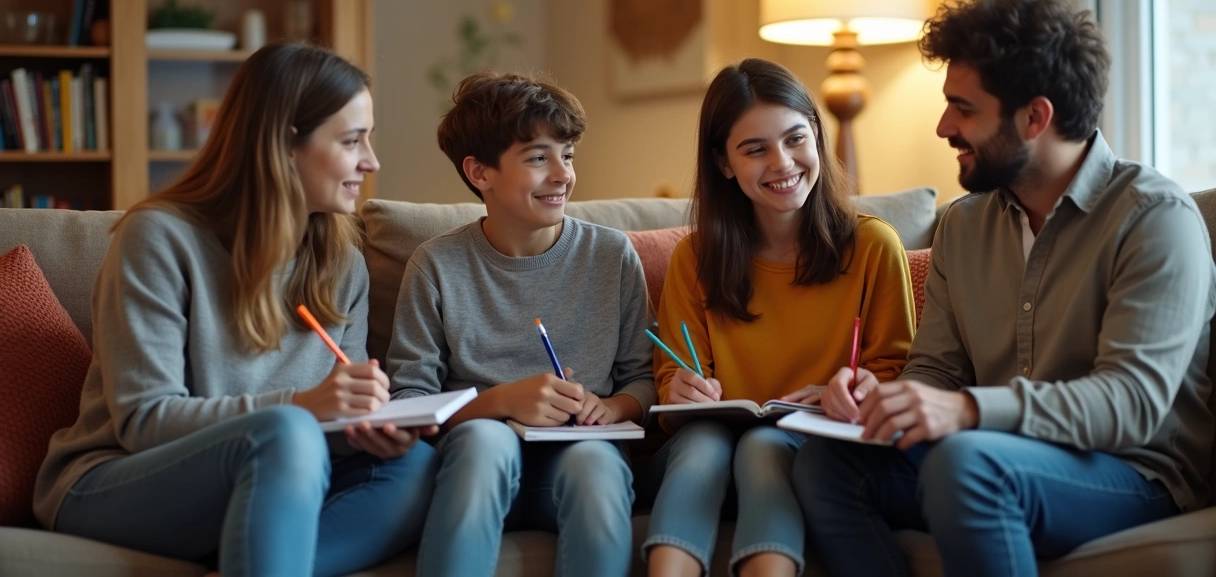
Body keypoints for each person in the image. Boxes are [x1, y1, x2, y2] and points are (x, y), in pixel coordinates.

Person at [792, 0, 1216, 577]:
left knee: (967, 465)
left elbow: (1131, 403)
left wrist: (966, 411)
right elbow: (935, 370)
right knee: (823, 463)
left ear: (1036, 116)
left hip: (1134, 472)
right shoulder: (964, 227)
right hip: (989, 453)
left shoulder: (1154, 218)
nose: (944, 126)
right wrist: (880, 397)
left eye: (964, 108)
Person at [33, 42, 439, 577]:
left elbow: (326, 425)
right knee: (287, 434)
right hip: (118, 478)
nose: (372, 161)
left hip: (278, 477)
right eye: (351, 140)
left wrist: (360, 427)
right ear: (283, 144)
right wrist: (303, 405)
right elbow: (144, 420)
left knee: (417, 465)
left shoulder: (343, 263)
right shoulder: (158, 238)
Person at [641, 58, 916, 577]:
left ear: (816, 135)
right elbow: (671, 387)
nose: (783, 162)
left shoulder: (874, 246)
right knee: (703, 442)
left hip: (821, 446)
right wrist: (680, 391)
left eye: (795, 139)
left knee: (765, 444)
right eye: (755, 149)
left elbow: (896, 373)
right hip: (708, 454)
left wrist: (847, 390)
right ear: (723, 163)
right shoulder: (694, 259)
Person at [386, 71, 656, 577]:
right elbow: (407, 403)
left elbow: (643, 377)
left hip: (577, 460)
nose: (562, 174)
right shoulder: (436, 265)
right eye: (537, 157)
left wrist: (613, 406)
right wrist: (502, 402)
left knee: (596, 463)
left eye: (568, 154)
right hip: (480, 463)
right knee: (485, 443)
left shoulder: (612, 254)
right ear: (480, 172)